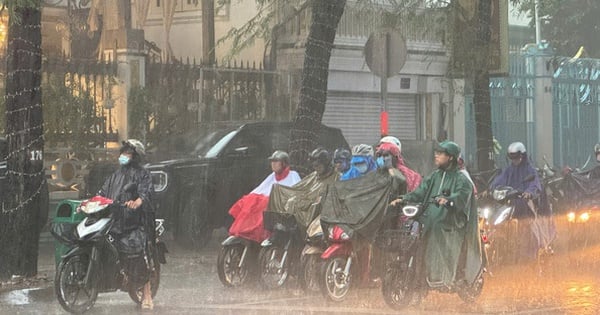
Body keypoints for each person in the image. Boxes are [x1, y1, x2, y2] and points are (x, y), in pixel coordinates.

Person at [390, 140, 482, 292]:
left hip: (451, 223)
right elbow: (421, 191)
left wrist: (448, 200)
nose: (436, 155)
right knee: (414, 228)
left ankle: (444, 277)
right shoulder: (434, 176)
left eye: (440, 153)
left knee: (437, 227)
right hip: (432, 219)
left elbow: (461, 198)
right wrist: (404, 199)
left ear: (450, 157)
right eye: (436, 152)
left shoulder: (462, 180)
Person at [98, 139, 156, 310]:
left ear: (135, 156)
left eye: (128, 154)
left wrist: (137, 202)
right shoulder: (115, 175)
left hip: (136, 222)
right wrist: (93, 201)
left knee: (137, 254)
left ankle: (147, 294)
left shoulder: (142, 174)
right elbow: (103, 192)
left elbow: (145, 194)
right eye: (123, 153)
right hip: (116, 219)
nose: (124, 156)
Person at [228, 150, 301, 242]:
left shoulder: (293, 175)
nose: (273, 164)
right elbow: (260, 189)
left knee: (264, 204)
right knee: (251, 202)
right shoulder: (272, 176)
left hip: (281, 207)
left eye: (276, 161)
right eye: (272, 161)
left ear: (284, 163)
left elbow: (296, 192)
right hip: (269, 202)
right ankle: (245, 232)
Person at [489, 141, 544, 261]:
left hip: (524, 204)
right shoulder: (509, 170)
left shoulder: (530, 170)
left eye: (517, 158)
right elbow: (499, 181)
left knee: (528, 227)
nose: (514, 161)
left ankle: (530, 257)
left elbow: (534, 184)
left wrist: (529, 193)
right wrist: (491, 189)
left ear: (522, 156)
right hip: (510, 204)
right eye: (512, 158)